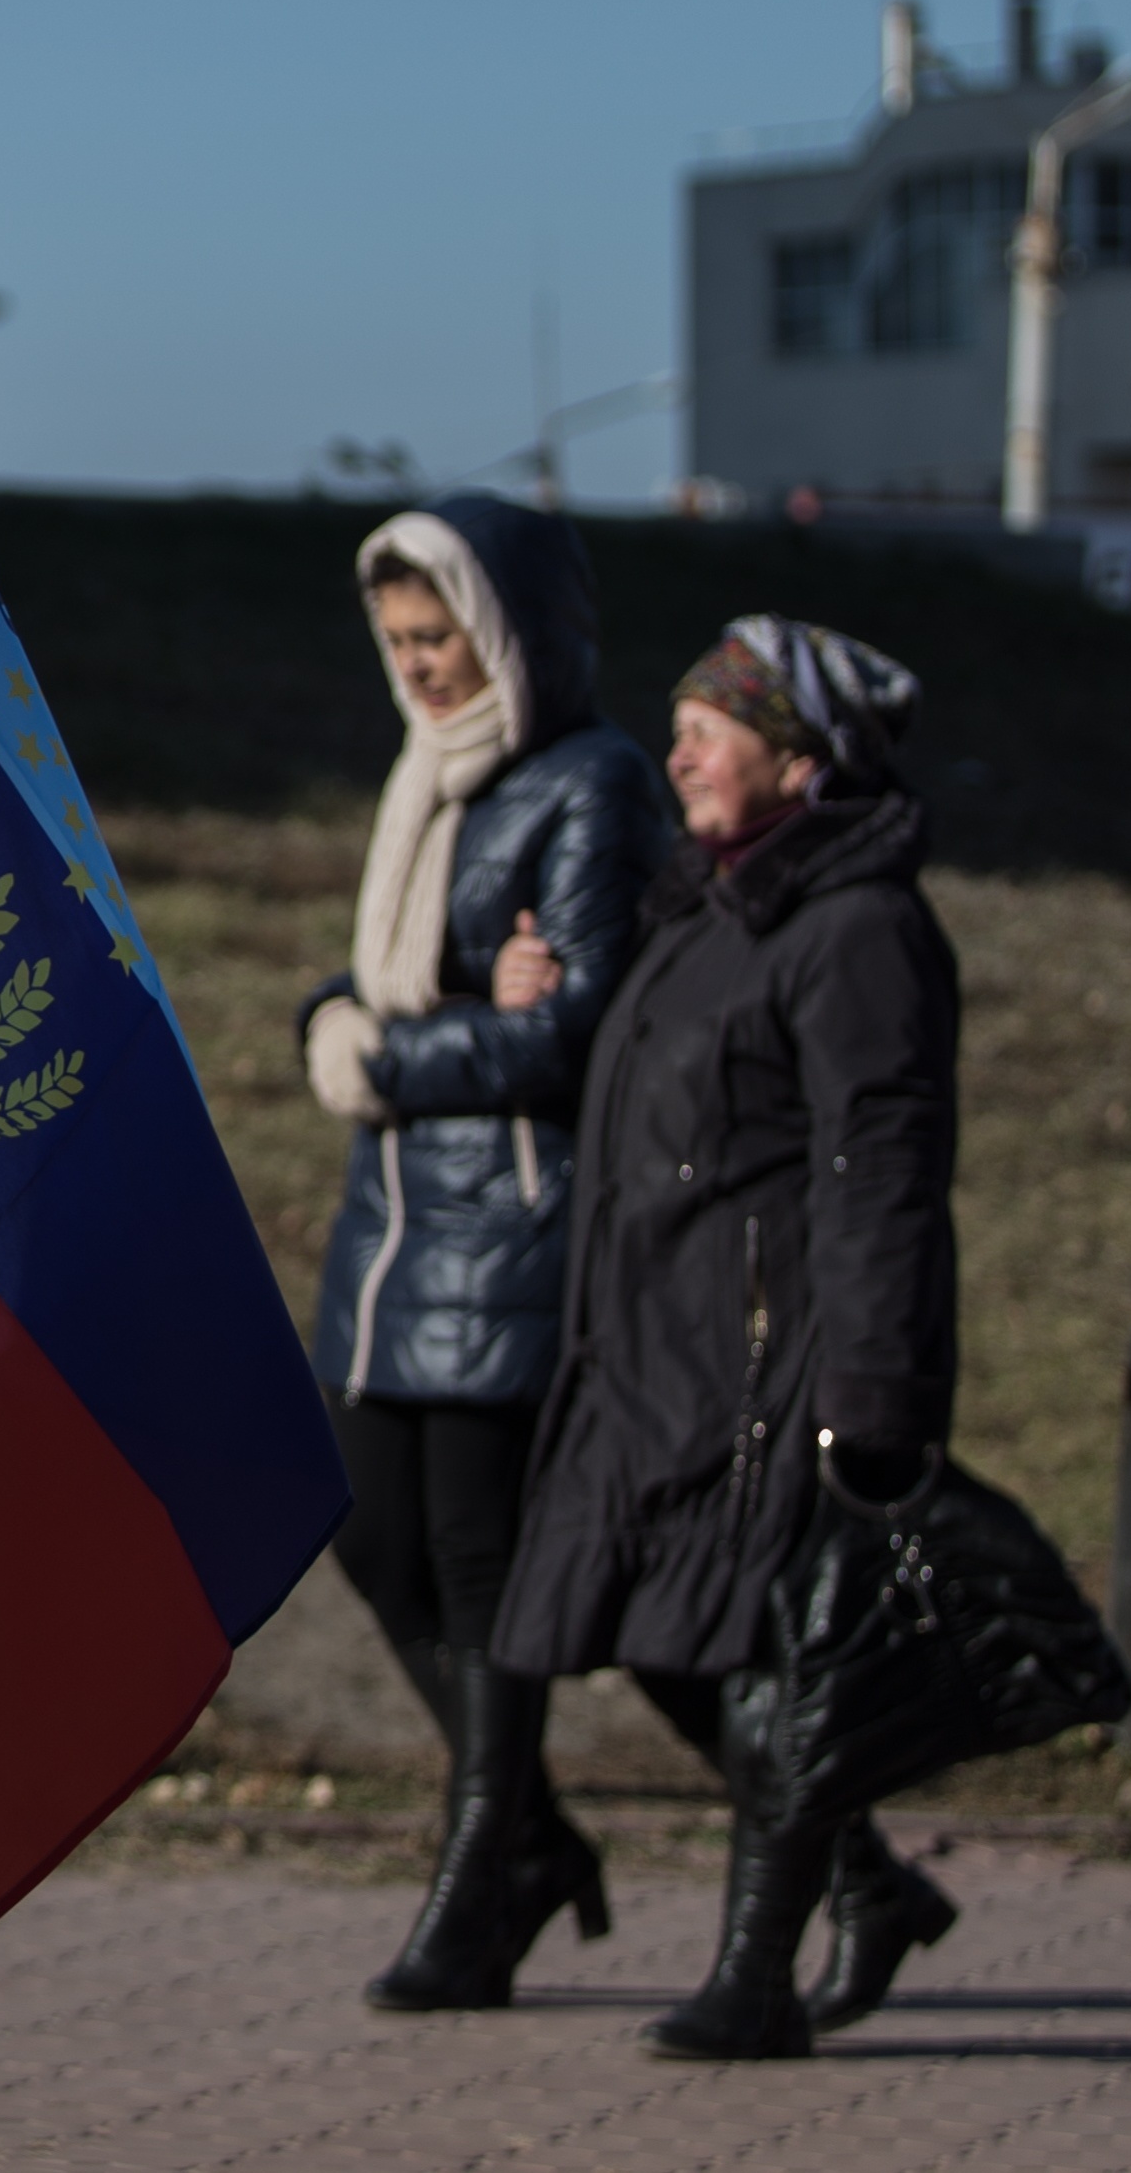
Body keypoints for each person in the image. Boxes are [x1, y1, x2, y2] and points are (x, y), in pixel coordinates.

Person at [490, 615, 960, 2064]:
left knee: (763, 1661)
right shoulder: (708, 903)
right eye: (681, 726)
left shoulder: (860, 929)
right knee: (657, 1635)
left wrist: (872, 1390)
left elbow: (881, 1168)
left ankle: (758, 1976)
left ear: (801, 756)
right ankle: (870, 1886)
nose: (680, 752)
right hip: (650, 1349)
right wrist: (537, 998)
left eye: (712, 728)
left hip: (775, 1365)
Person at [295, 495, 667, 2012]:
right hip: (394, 1228)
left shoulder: (592, 783)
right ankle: (535, 1835)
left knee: (474, 1561)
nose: (420, 665)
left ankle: (480, 1881)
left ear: (508, 630)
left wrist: (387, 1053)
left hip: (509, 1226)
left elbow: (573, 1031)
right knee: (363, 1528)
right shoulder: (426, 777)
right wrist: (351, 1019)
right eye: (397, 639)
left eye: (440, 634)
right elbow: (382, 988)